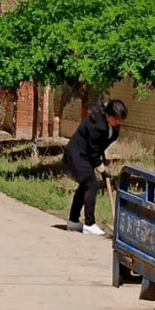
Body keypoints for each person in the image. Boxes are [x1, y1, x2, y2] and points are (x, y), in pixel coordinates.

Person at [64, 98, 127, 236]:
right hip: (76, 154)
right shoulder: (97, 124)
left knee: (85, 185)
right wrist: (101, 168)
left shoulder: (113, 128)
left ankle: (73, 221)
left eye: (120, 119)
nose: (119, 122)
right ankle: (89, 224)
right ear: (109, 116)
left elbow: (100, 147)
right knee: (91, 183)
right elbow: (93, 150)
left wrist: (102, 164)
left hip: (86, 155)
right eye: (116, 118)